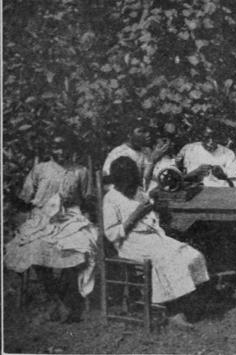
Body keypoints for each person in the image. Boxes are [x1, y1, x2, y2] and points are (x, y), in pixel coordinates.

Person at [102, 156, 210, 328]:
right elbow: (111, 233)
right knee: (167, 259)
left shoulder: (137, 191)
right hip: (129, 242)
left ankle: (186, 300)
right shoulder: (111, 198)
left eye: (132, 182)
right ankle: (173, 310)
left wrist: (155, 208)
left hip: (152, 237)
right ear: (118, 181)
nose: (131, 187)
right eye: (127, 183)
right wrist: (136, 215)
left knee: (191, 254)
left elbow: (151, 212)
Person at [5, 136, 98, 323]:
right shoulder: (40, 169)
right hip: (42, 219)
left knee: (78, 248)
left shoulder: (80, 171)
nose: (60, 152)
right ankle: (54, 296)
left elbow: (87, 199)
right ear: (50, 150)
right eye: (56, 147)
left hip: (71, 219)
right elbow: (26, 198)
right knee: (33, 248)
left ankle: (65, 295)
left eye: (64, 147)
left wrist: (86, 219)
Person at [102, 122, 169, 190]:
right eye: (141, 131)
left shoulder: (145, 150)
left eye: (147, 131)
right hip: (122, 192)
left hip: (139, 190)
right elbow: (115, 184)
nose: (148, 134)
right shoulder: (120, 153)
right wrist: (152, 160)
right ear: (129, 134)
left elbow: (151, 175)